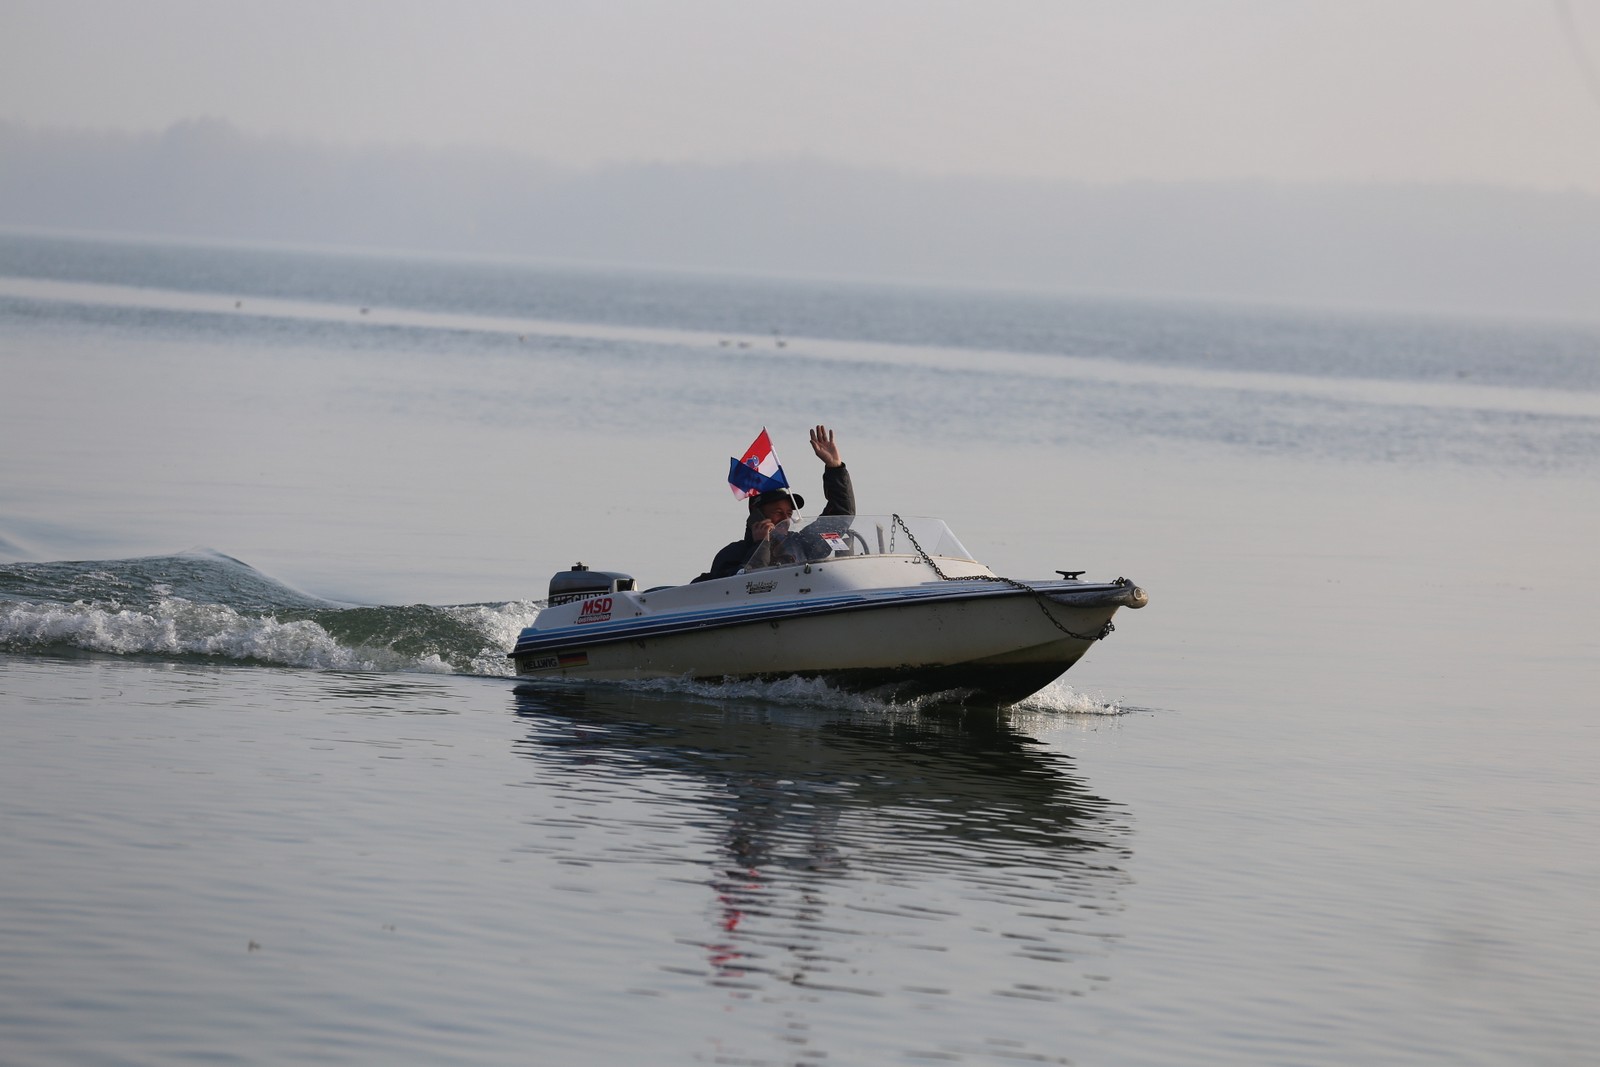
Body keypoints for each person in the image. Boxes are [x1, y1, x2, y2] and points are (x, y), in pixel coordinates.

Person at [697, 424, 856, 581]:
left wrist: (835, 468)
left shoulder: (803, 543)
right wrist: (761, 544)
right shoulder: (732, 553)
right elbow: (750, 585)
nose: (785, 520)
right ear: (757, 514)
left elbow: (841, 516)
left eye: (789, 513)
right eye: (778, 513)